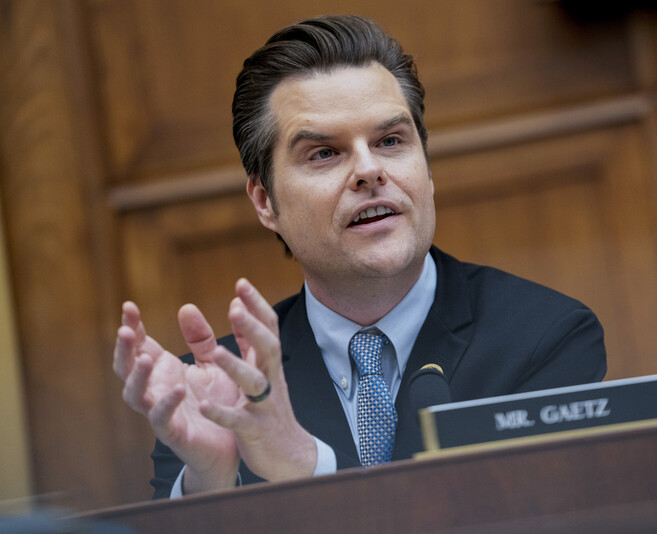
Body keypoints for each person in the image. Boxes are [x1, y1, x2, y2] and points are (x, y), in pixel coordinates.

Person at [112, 15, 607, 500]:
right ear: (265, 202)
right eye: (324, 153)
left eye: (390, 141)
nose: (369, 171)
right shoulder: (219, 391)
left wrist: (307, 466)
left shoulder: (546, 337)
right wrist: (211, 484)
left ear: (427, 170)